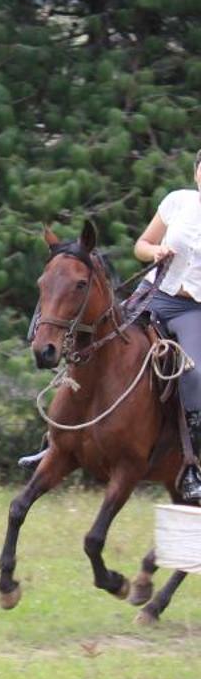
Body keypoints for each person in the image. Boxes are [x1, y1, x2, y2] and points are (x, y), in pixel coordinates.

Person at [135, 149, 201, 505]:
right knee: (97, 341)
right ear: (196, 174)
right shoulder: (177, 202)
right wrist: (156, 251)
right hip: (153, 293)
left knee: (194, 374)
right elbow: (140, 245)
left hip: (192, 308)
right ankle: (53, 440)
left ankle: (190, 466)